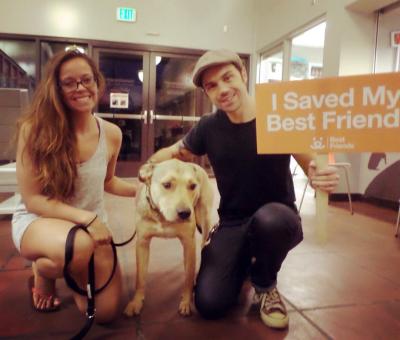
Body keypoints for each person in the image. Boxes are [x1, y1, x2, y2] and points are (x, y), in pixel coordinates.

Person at [145, 49, 339, 329]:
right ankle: (244, 262)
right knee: (210, 304)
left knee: (269, 221)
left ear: (243, 74)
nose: (222, 89)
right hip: (233, 223)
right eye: (212, 85)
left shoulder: (277, 117)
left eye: (228, 78)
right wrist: (148, 172)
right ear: (206, 92)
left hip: (278, 218)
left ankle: (264, 282)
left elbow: (314, 165)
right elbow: (176, 152)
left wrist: (321, 176)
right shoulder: (209, 127)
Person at [11, 49, 136, 322]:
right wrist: (88, 219)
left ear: (97, 82)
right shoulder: (34, 130)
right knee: (77, 245)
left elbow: (108, 182)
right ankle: (45, 271)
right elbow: (33, 200)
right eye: (69, 82)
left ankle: (68, 264)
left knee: (105, 313)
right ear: (56, 88)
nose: (80, 88)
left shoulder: (112, 134)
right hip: (40, 222)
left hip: (90, 231)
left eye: (86, 80)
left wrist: (146, 191)